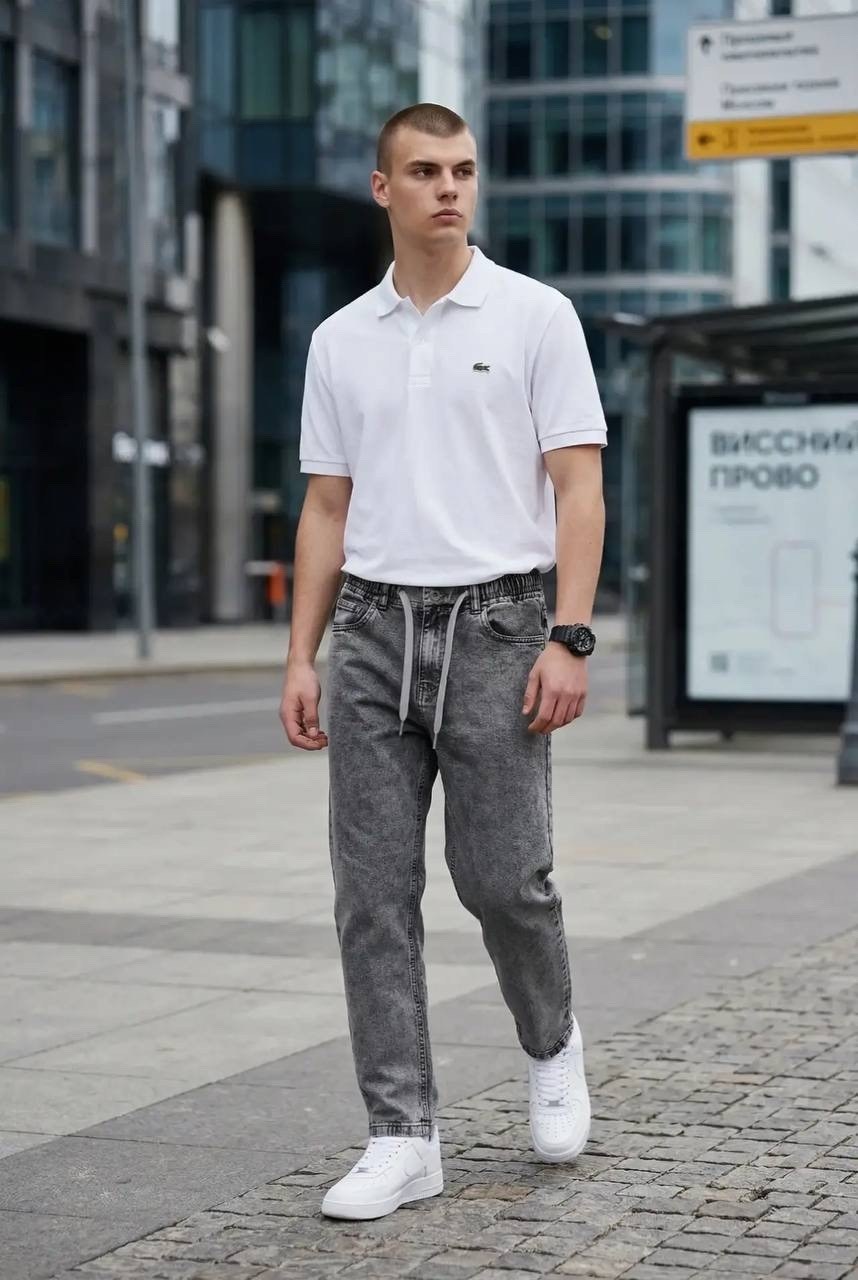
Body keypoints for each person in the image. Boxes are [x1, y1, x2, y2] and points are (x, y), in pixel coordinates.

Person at [279, 102, 607, 1222]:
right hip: (371, 630)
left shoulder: (535, 315)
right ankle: (402, 1133)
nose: (449, 189)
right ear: (383, 188)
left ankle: (552, 1044)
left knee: (504, 879)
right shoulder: (339, 339)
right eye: (424, 172)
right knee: (371, 895)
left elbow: (578, 488)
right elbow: (326, 509)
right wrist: (302, 655)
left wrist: (569, 634)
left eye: (462, 170)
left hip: (501, 625)